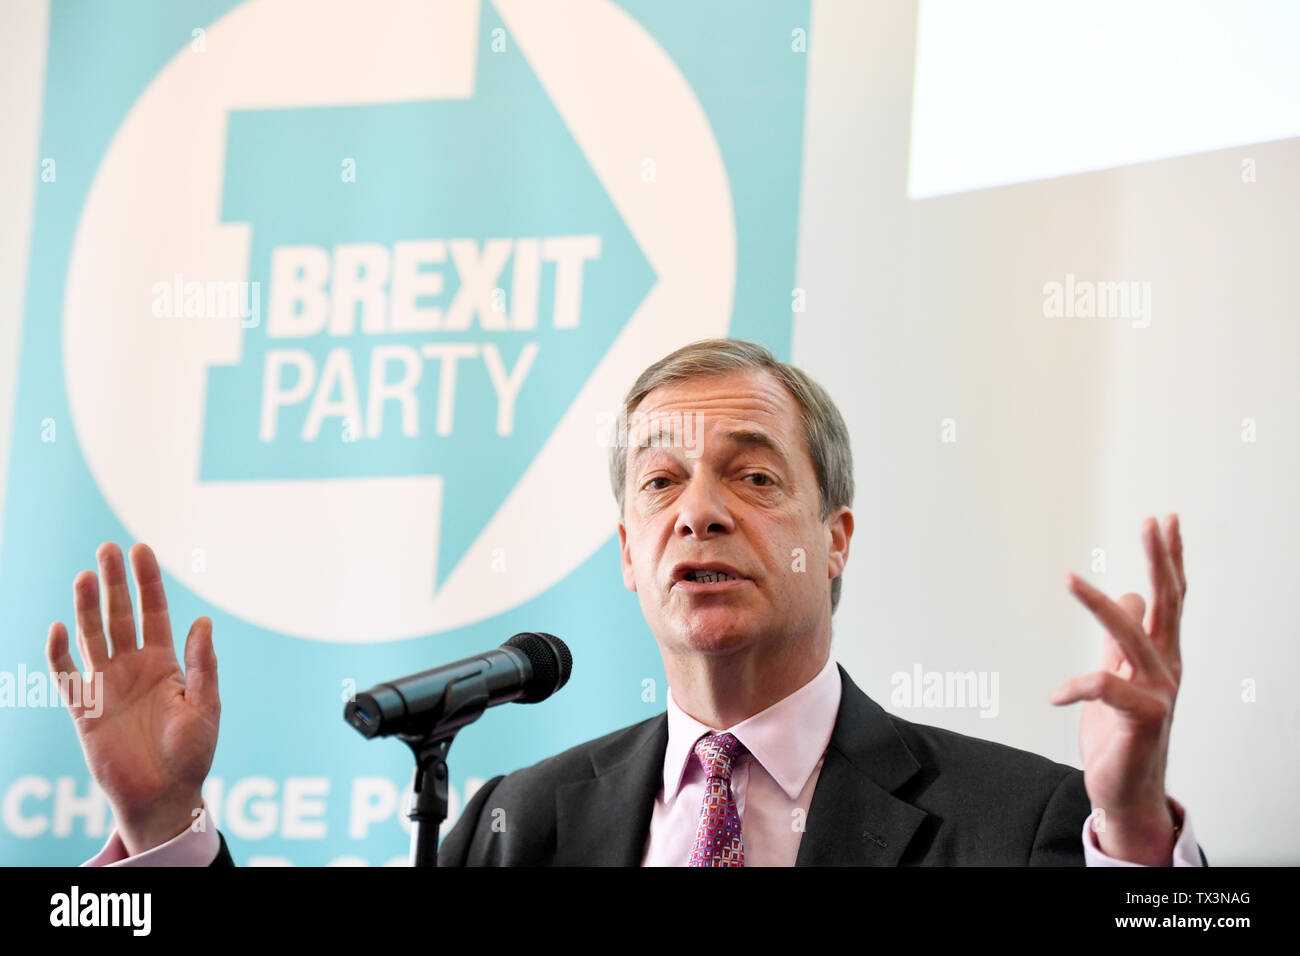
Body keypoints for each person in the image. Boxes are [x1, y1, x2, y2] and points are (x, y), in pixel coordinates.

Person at [55, 339, 1204, 866]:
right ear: (624, 551)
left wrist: (1141, 835)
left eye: (752, 476)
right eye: (658, 483)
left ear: (835, 537)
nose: (695, 512)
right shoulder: (514, 823)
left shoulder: (1025, 819)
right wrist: (164, 829)